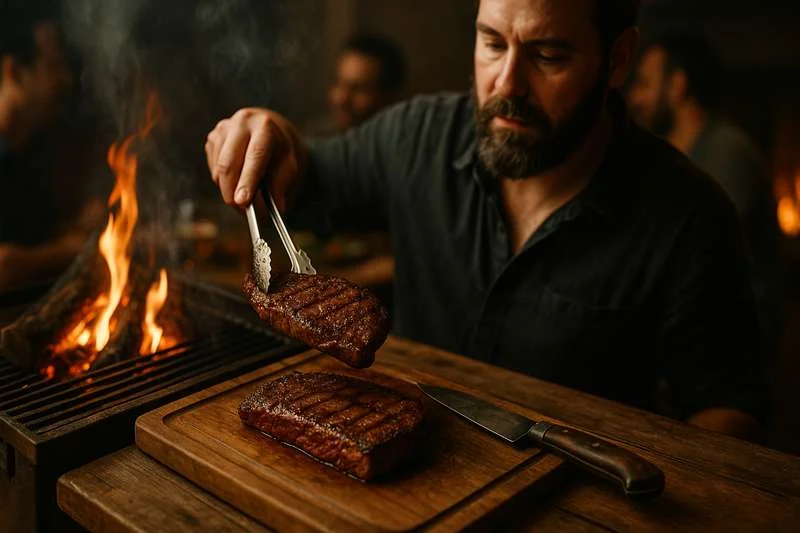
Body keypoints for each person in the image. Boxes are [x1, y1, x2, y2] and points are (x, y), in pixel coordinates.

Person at [206, 0, 766, 440]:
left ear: (617, 59)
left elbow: (726, 412)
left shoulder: (690, 215)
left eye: (549, 56)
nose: (507, 84)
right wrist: (269, 135)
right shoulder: (416, 137)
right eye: (493, 43)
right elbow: (306, 175)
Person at [627, 33, 784, 358]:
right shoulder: (667, 156)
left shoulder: (728, 151)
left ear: (677, 85)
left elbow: (700, 257)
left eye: (644, 84)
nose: (633, 98)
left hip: (734, 333)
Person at [0, 2, 97, 293]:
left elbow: (30, 239)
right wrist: (70, 250)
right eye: (54, 68)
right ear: (14, 72)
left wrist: (80, 226)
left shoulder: (29, 152)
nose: (66, 81)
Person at [306, 33, 407, 136]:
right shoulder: (316, 138)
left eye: (358, 89)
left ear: (389, 98)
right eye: (337, 83)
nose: (340, 99)